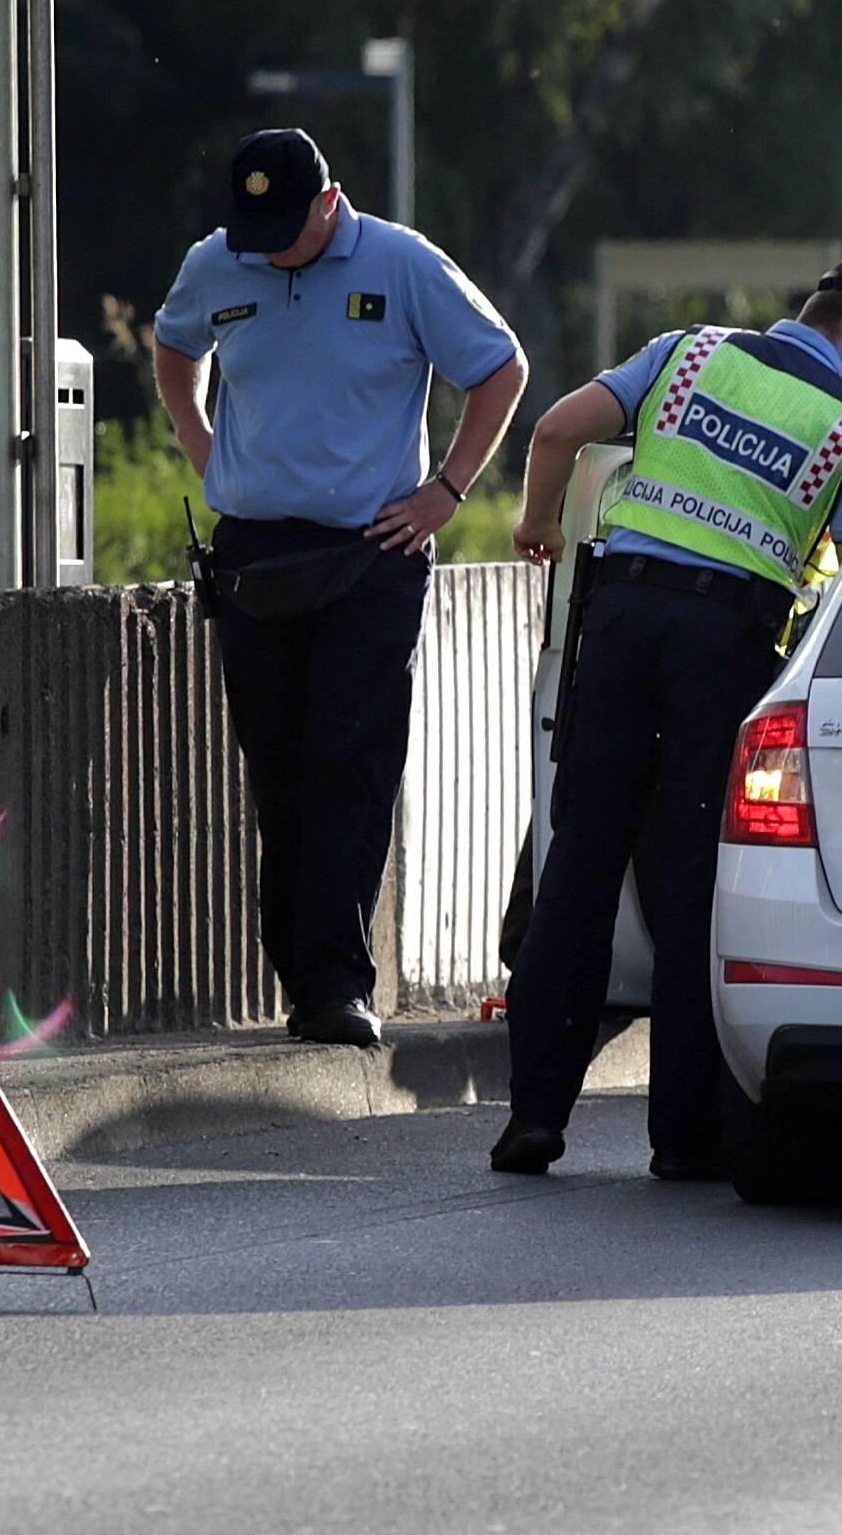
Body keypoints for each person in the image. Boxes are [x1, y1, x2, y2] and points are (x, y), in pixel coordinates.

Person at [493, 251, 842, 1178]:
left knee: (579, 863)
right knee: (695, 886)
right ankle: (683, 1137)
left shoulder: (686, 355)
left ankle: (532, 1117)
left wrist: (537, 524)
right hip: (724, 649)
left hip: (618, 623)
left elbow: (559, 429)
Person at [154, 128, 527, 1048]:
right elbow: (173, 348)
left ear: (331, 202)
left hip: (372, 551)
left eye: (288, 226)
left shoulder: (401, 265)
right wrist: (206, 450)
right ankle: (299, 970)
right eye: (257, 231)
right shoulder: (220, 261)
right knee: (276, 767)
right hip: (256, 554)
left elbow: (500, 367)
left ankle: (333, 984)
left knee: (347, 760)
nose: (271, 248)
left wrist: (448, 489)